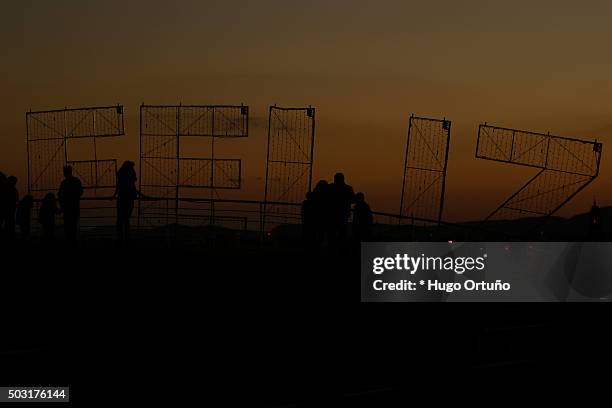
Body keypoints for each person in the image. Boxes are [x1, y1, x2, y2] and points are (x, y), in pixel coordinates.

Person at [114, 161, 139, 243]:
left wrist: (115, 194)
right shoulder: (128, 174)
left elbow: (119, 186)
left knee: (121, 219)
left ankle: (121, 237)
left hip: (122, 199)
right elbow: (131, 185)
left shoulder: (122, 173)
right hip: (127, 199)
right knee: (126, 219)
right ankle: (126, 237)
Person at [58, 165, 83, 243]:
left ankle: (69, 242)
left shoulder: (64, 183)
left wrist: (62, 205)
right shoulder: (76, 181)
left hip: (67, 208)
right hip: (75, 207)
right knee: (74, 227)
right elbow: (81, 192)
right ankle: (73, 242)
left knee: (68, 227)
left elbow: (59, 194)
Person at [328, 172, 355, 246]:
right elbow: (353, 200)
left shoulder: (330, 187)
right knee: (341, 233)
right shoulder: (348, 188)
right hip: (343, 214)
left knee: (333, 234)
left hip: (332, 215)